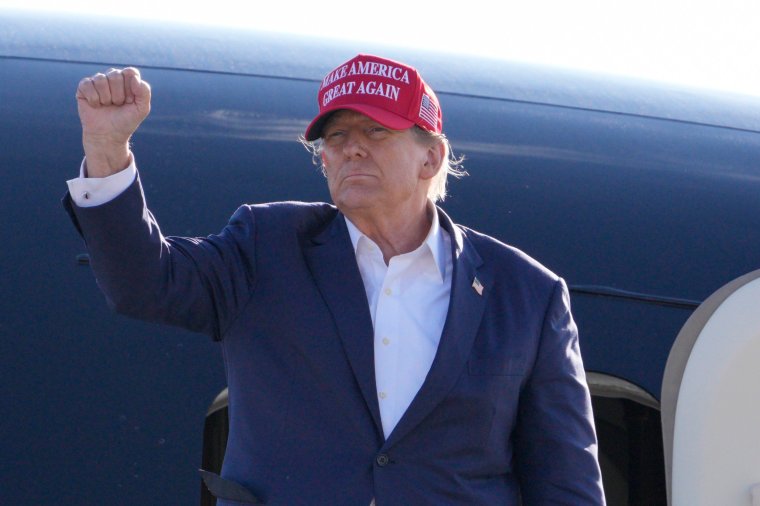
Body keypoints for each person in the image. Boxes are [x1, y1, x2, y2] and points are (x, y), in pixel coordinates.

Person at [65, 54, 606, 505]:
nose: (351, 147)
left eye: (376, 130)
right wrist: (108, 152)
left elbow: (567, 484)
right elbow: (144, 283)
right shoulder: (265, 243)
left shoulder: (528, 295)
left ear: (431, 157)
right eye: (336, 135)